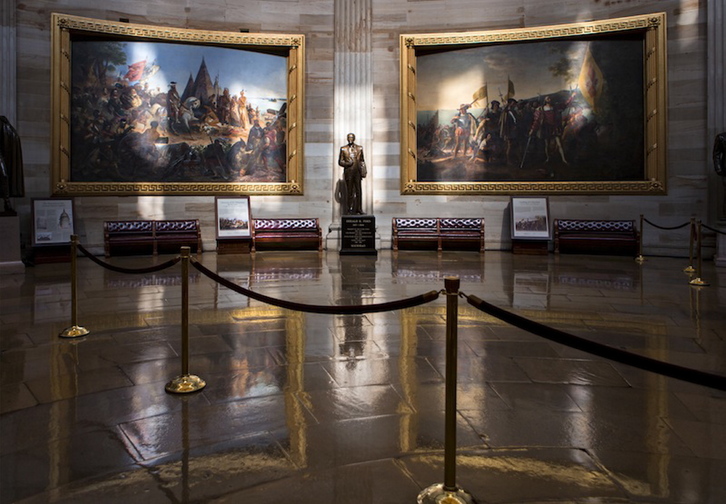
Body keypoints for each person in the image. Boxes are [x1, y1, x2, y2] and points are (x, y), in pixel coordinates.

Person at [338, 133, 366, 215]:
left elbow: (362, 160)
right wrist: (347, 163)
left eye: (351, 137)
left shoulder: (359, 148)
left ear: (354, 138)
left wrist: (363, 171)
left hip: (357, 172)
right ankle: (349, 209)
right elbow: (340, 161)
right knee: (349, 191)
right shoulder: (343, 149)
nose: (350, 139)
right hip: (348, 172)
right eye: (349, 137)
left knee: (358, 191)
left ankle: (359, 209)